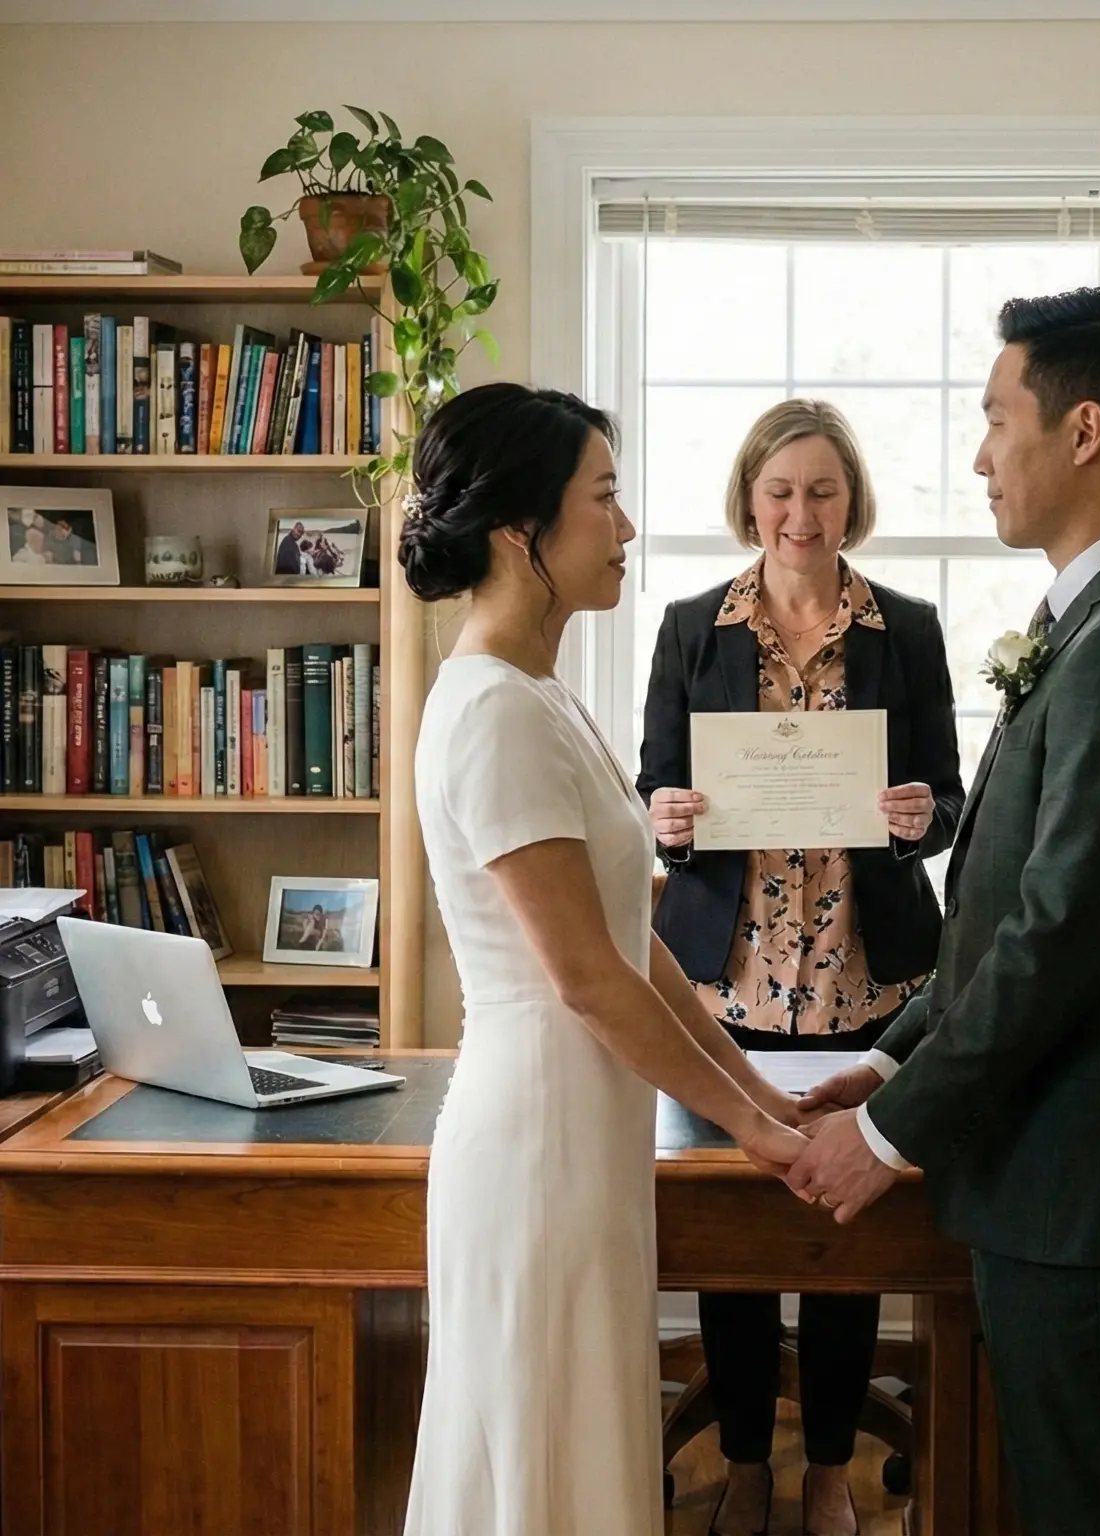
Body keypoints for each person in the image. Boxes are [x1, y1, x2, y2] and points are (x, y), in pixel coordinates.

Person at [788, 288, 1100, 1536]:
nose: (980, 455)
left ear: (1084, 429)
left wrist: (888, 1136)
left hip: (1087, 1183)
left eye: (997, 419)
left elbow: (1060, 940)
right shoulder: (1097, 619)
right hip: (1048, 1171)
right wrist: (888, 1055)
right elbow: (1001, 913)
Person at [398, 382, 807, 1535]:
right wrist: (755, 1129)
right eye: (604, 499)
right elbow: (584, 980)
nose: (625, 528)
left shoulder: (546, 697)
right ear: (520, 529)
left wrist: (749, 1092)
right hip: (533, 1141)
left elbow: (637, 942)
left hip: (587, 1132)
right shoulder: (492, 712)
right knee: (540, 1449)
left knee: (581, 1439)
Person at [637, 398, 964, 1536]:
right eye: (779, 490)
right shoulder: (690, 626)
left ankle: (827, 1465)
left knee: (844, 1223)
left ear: (850, 501)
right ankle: (742, 1458)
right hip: (720, 980)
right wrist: (665, 818)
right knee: (732, 1233)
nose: (799, 512)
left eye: (822, 490)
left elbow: (947, 796)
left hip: (859, 974)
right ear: (749, 498)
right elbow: (654, 788)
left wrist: (922, 815)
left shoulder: (906, 627)